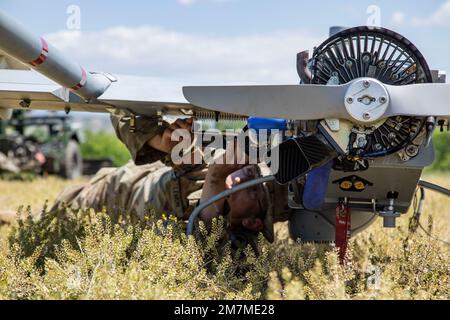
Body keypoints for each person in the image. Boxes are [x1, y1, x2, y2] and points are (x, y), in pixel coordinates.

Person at [48, 111, 292, 244]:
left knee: (44, 222)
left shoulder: (220, 238)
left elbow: (208, 206)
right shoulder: (211, 165)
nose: (247, 174)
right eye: (254, 172)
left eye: (253, 190)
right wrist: (161, 140)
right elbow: (120, 111)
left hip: (103, 202)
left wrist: (217, 170)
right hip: (123, 177)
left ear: (253, 223)